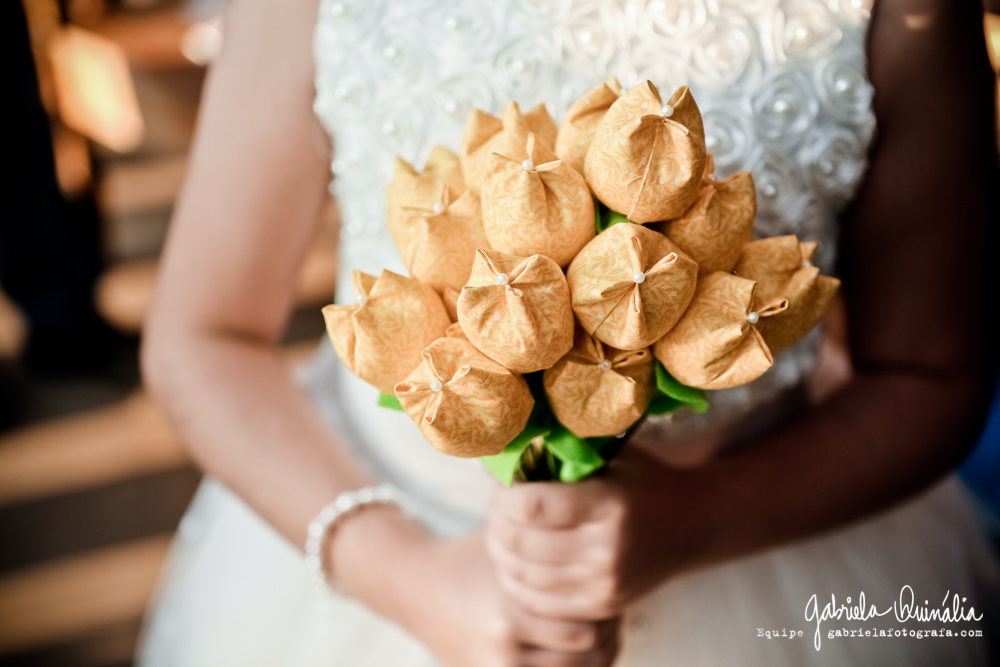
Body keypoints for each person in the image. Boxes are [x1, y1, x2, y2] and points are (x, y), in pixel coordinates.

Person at [137, 0, 998, 665]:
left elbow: (931, 374)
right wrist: (403, 573)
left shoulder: (905, 14)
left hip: (765, 552)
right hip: (391, 558)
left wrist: (699, 518)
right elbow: (203, 335)